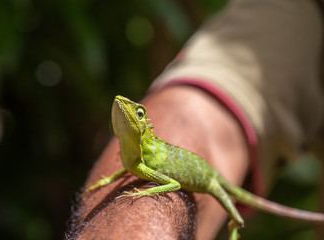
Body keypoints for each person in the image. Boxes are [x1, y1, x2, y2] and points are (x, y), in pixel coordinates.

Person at [66, 0, 324, 239]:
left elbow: (173, 183)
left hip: (210, 179)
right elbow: (192, 113)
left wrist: (145, 191)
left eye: (140, 113)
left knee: (230, 207)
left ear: (143, 128)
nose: (125, 107)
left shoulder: (142, 162)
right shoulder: (134, 158)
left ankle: (236, 223)